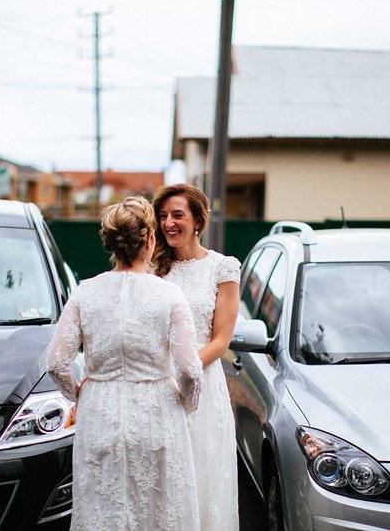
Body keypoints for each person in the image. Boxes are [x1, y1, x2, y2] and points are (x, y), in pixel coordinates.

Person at [46, 196, 203, 531]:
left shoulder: (85, 293)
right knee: (157, 509)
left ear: (112, 244)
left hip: (101, 412)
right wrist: (186, 403)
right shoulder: (170, 295)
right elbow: (189, 369)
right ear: (149, 240)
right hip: (158, 413)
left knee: (104, 507)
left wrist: (79, 392)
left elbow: (57, 362)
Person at [152, 184, 240, 531]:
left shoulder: (223, 268)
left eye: (177, 215)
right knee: (164, 477)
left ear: (198, 221)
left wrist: (182, 370)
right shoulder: (153, 269)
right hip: (157, 386)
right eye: (162, 217)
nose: (168, 224)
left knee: (204, 474)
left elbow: (221, 340)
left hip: (203, 388)